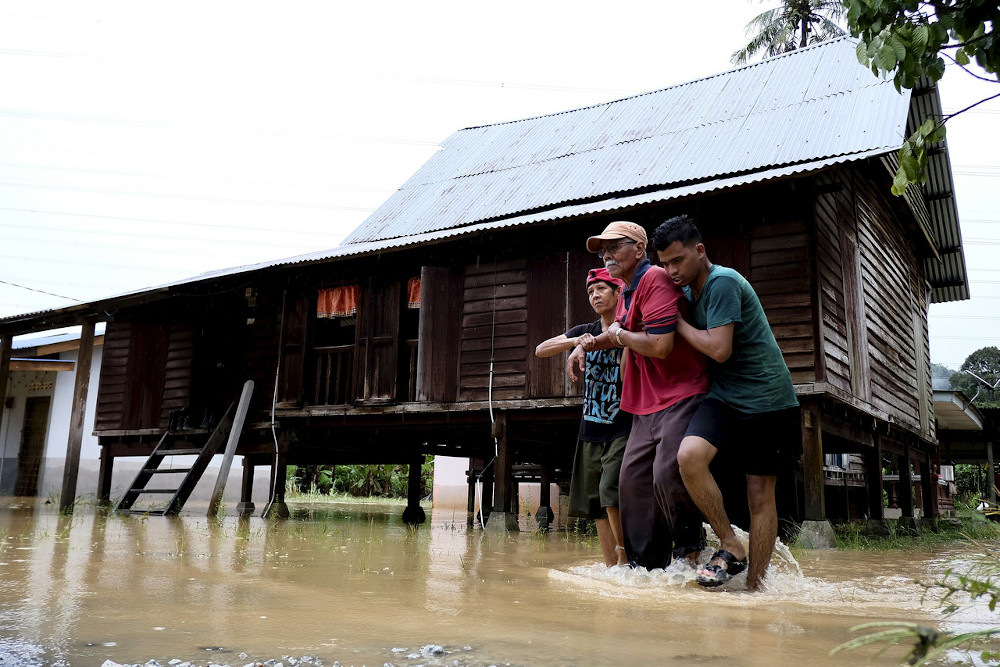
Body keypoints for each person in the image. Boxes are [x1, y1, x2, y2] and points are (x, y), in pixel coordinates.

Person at [651, 214, 800, 591]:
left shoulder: (723, 282)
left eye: (678, 260)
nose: (671, 271)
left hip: (768, 400)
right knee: (689, 458)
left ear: (700, 251)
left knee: (759, 494)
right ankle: (730, 543)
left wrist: (677, 323)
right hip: (724, 396)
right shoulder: (684, 292)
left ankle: (755, 586)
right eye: (664, 263)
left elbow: (719, 349)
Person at [569, 220, 708, 570]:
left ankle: (691, 550)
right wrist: (585, 345)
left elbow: (660, 346)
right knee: (630, 482)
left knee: (665, 471)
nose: (608, 254)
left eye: (616, 246)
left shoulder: (655, 280)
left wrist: (617, 339)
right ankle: (647, 567)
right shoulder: (629, 291)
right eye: (604, 249)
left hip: (679, 392)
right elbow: (620, 328)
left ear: (640, 249)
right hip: (646, 401)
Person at [535, 267, 631, 567]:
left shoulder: (627, 327)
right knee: (593, 502)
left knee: (610, 490)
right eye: (590, 292)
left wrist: (597, 341)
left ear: (618, 292)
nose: (595, 296)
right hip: (591, 425)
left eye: (601, 289)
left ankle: (627, 560)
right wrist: (575, 342)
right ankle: (611, 568)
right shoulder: (583, 331)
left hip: (622, 423)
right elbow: (541, 350)